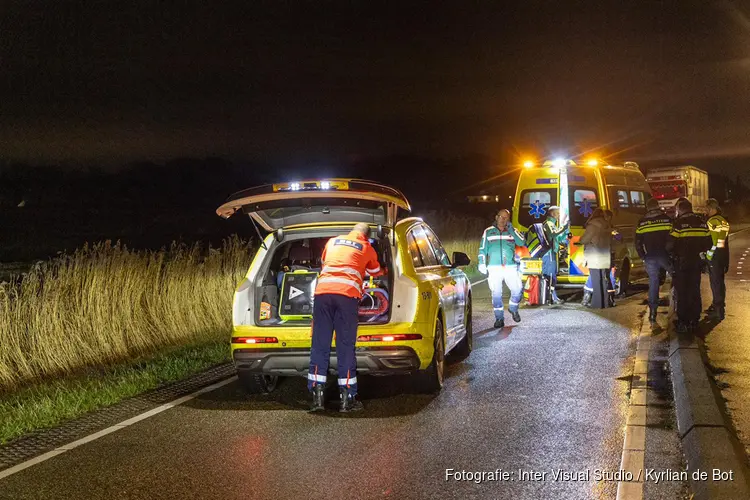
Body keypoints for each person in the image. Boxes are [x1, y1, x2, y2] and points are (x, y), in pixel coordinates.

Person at [308, 222, 384, 412]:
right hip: (346, 296)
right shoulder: (366, 247)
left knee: (319, 345)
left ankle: (316, 398)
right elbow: (376, 272)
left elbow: (327, 263)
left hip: (322, 294)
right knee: (345, 346)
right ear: (367, 236)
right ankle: (347, 398)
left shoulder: (332, 242)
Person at [666, 200, 713, 333]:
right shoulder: (702, 223)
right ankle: (694, 319)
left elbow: (670, 245)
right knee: (695, 290)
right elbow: (709, 243)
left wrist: (672, 256)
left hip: (681, 263)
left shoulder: (678, 224)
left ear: (680, 210)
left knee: (682, 292)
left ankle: (683, 321)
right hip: (697, 262)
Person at [478, 208, 526, 328]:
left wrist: (511, 229)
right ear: (496, 217)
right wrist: (481, 263)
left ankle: (513, 308)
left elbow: (521, 242)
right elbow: (482, 249)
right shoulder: (488, 232)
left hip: (510, 267)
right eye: (501, 217)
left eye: (506, 218)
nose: (503, 219)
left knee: (517, 289)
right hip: (494, 268)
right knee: (496, 293)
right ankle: (499, 318)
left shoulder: (512, 230)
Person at [636, 198, 673, 323]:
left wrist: (643, 256)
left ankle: (653, 312)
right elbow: (673, 238)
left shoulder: (642, 222)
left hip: (650, 257)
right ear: (657, 206)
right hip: (664, 255)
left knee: (653, 283)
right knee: (677, 277)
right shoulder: (667, 219)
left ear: (647, 207)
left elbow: (638, 242)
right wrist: (670, 253)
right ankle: (678, 307)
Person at [577, 209, 613, 308]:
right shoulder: (607, 225)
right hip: (605, 254)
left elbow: (585, 239)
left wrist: (580, 239)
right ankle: (604, 303)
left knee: (596, 279)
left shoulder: (592, 226)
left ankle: (597, 304)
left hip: (594, 256)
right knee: (602, 279)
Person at [704, 198, 730, 320]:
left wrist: (708, 256)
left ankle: (718, 310)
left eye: (706, 208)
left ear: (711, 208)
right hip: (723, 256)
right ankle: (718, 305)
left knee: (715, 283)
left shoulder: (712, 221)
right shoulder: (723, 220)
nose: (705, 210)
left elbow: (714, 242)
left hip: (715, 257)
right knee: (720, 283)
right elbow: (723, 242)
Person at [542, 206, 570, 305]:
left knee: (551, 276)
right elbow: (553, 234)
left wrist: (565, 232)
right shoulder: (548, 224)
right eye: (558, 213)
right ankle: (550, 298)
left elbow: (557, 238)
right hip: (549, 253)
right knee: (550, 276)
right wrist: (564, 227)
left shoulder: (551, 224)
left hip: (551, 253)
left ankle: (551, 297)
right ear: (553, 214)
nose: (559, 215)